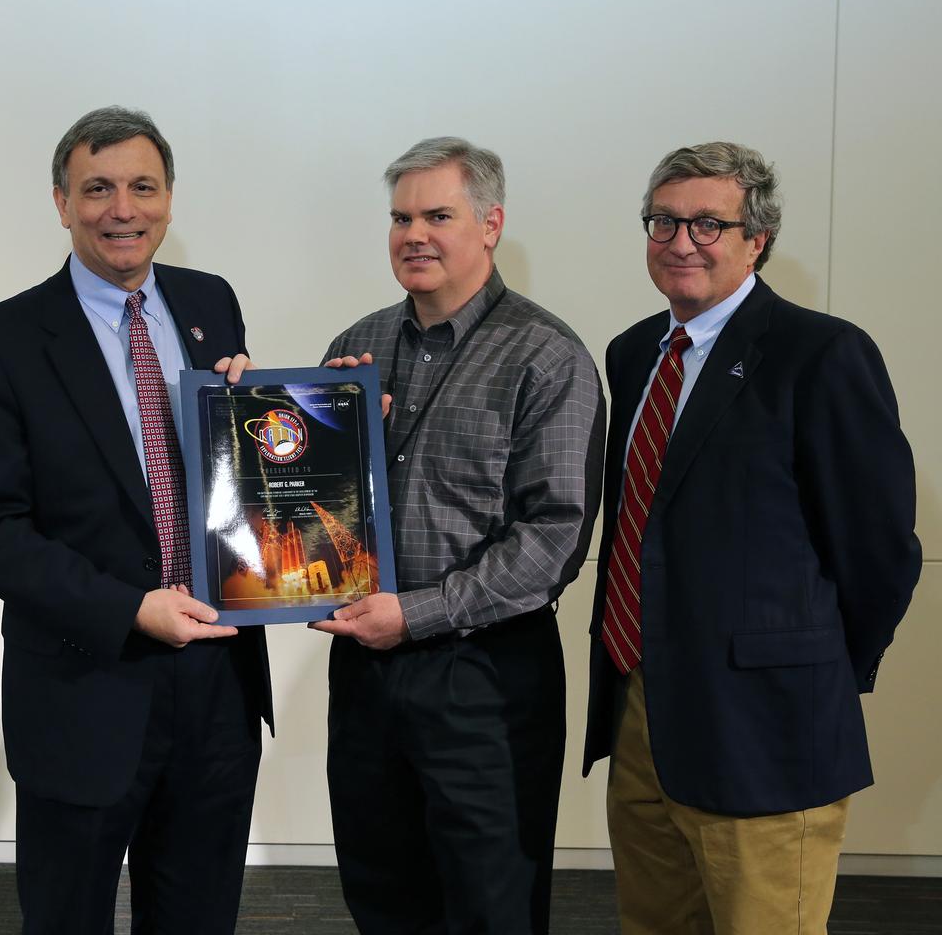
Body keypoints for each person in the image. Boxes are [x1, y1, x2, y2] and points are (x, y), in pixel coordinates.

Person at [0, 106, 272, 934]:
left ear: (169, 198)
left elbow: (239, 480)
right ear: (61, 202)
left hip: (217, 688)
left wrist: (300, 427)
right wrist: (128, 607)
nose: (121, 208)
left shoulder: (211, 304)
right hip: (84, 688)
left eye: (141, 187)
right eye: (97, 188)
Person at [583, 141, 921, 934]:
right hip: (641, 709)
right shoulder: (634, 353)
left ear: (756, 239)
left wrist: (821, 677)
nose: (680, 241)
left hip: (768, 725)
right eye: (663, 221)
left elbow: (878, 551)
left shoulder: (823, 354)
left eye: (708, 223)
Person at [315, 136, 605, 934]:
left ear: (490, 224)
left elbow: (554, 537)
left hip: (485, 677)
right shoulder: (355, 349)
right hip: (367, 676)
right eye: (402, 216)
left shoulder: (547, 356)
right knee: (381, 895)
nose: (415, 234)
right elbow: (311, 510)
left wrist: (416, 613)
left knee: (491, 906)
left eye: (438, 215)